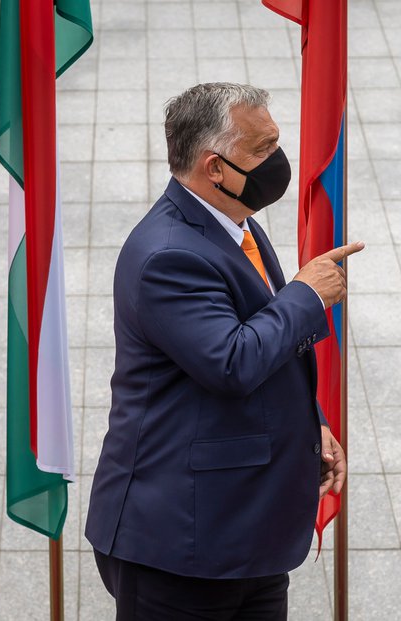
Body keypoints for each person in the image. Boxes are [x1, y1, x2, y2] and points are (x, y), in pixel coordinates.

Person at [85, 82, 363, 620]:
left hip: (245, 539)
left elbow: (263, 349)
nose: (277, 161)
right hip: (180, 547)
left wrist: (314, 426)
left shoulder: (235, 224)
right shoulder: (167, 256)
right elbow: (231, 362)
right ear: (214, 167)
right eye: (261, 150)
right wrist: (306, 295)